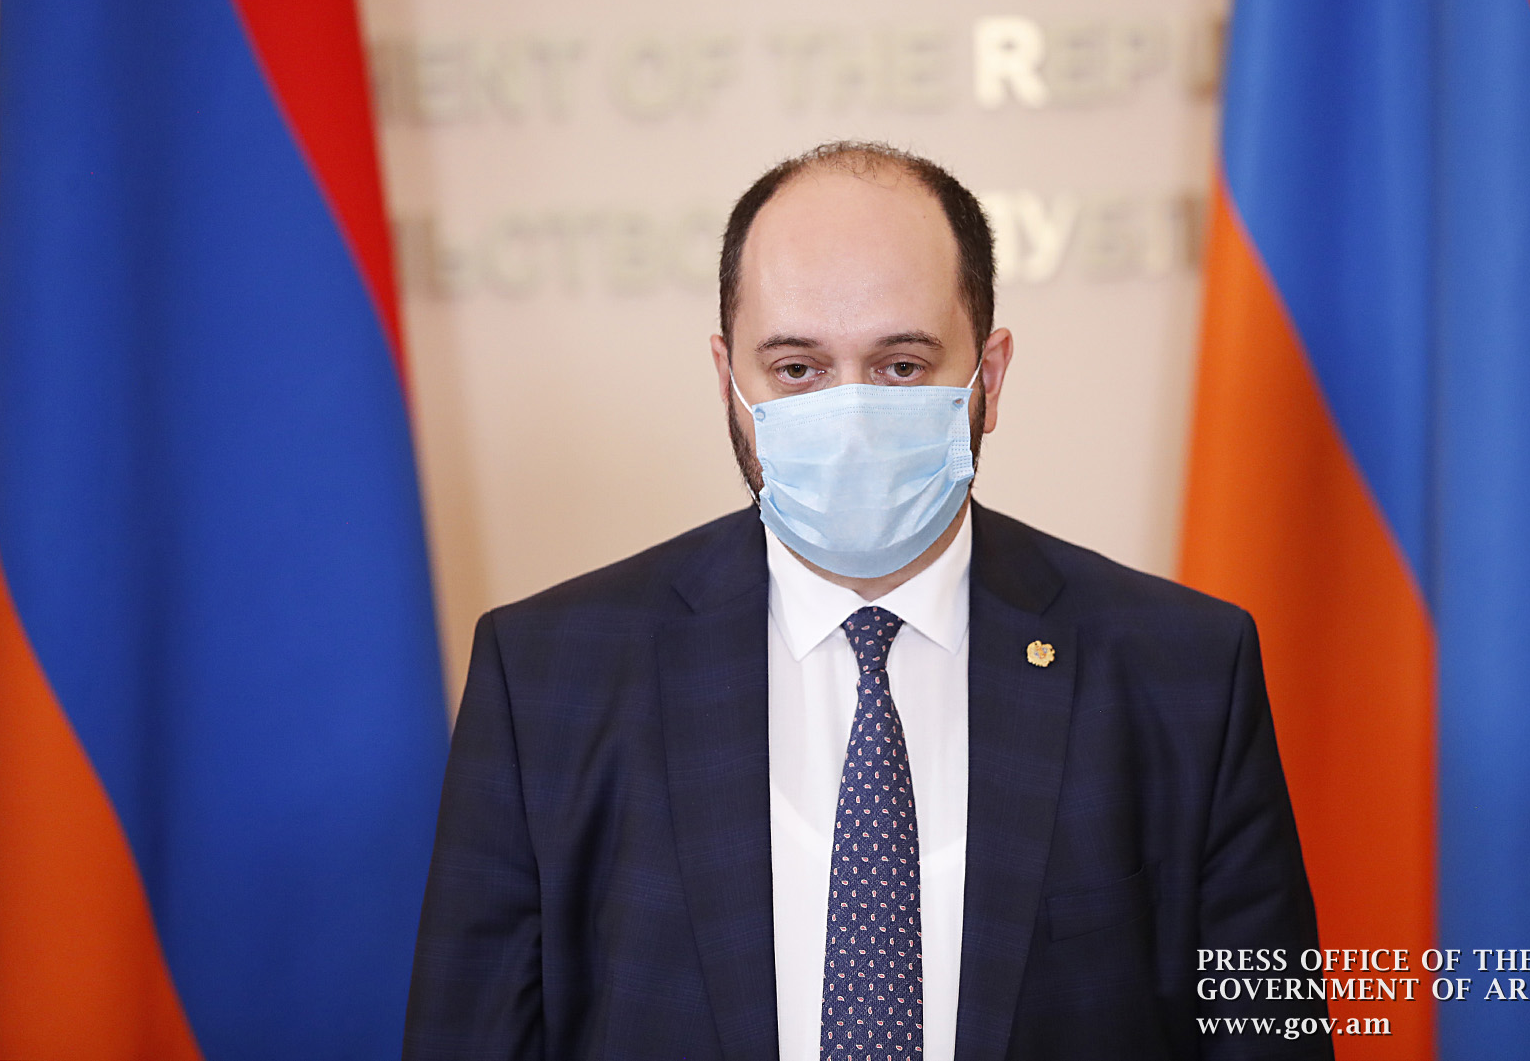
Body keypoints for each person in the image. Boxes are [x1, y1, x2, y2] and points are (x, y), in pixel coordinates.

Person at [404, 142, 1332, 1060]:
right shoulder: (547, 679)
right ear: (727, 379)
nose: (848, 420)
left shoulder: (1185, 674)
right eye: (797, 369)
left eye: (900, 366)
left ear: (990, 375)